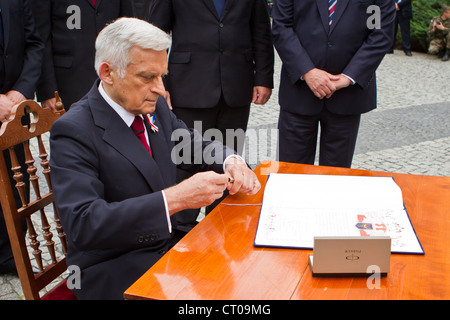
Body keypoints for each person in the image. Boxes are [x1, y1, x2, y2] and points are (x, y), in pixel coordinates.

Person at [49, 17, 261, 300]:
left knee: (248, 270)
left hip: (170, 244)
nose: (161, 89)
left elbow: (192, 143)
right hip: (115, 265)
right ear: (108, 72)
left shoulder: (153, 104)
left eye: (162, 76)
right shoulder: (74, 130)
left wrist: (230, 160)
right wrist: (175, 199)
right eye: (147, 77)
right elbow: (85, 223)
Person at [148, 0, 274, 229]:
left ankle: (222, 226)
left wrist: (263, 77)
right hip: (187, 87)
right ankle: (180, 230)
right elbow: (154, 34)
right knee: (186, 160)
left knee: (230, 160)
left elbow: (261, 30)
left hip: (236, 86)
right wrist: (160, 81)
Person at [271, 0, 395, 168]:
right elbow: (282, 27)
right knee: (291, 174)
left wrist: (348, 77)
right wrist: (307, 71)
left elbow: (379, 32)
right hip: (299, 93)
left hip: (346, 96)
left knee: (336, 179)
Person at [0, 0, 43, 274]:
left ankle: (9, 255)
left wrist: (21, 91)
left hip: (16, 109)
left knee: (18, 183)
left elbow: (34, 44)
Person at [30, 0, 133, 111]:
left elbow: (127, 28)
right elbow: (41, 39)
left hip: (113, 80)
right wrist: (47, 92)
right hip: (68, 83)